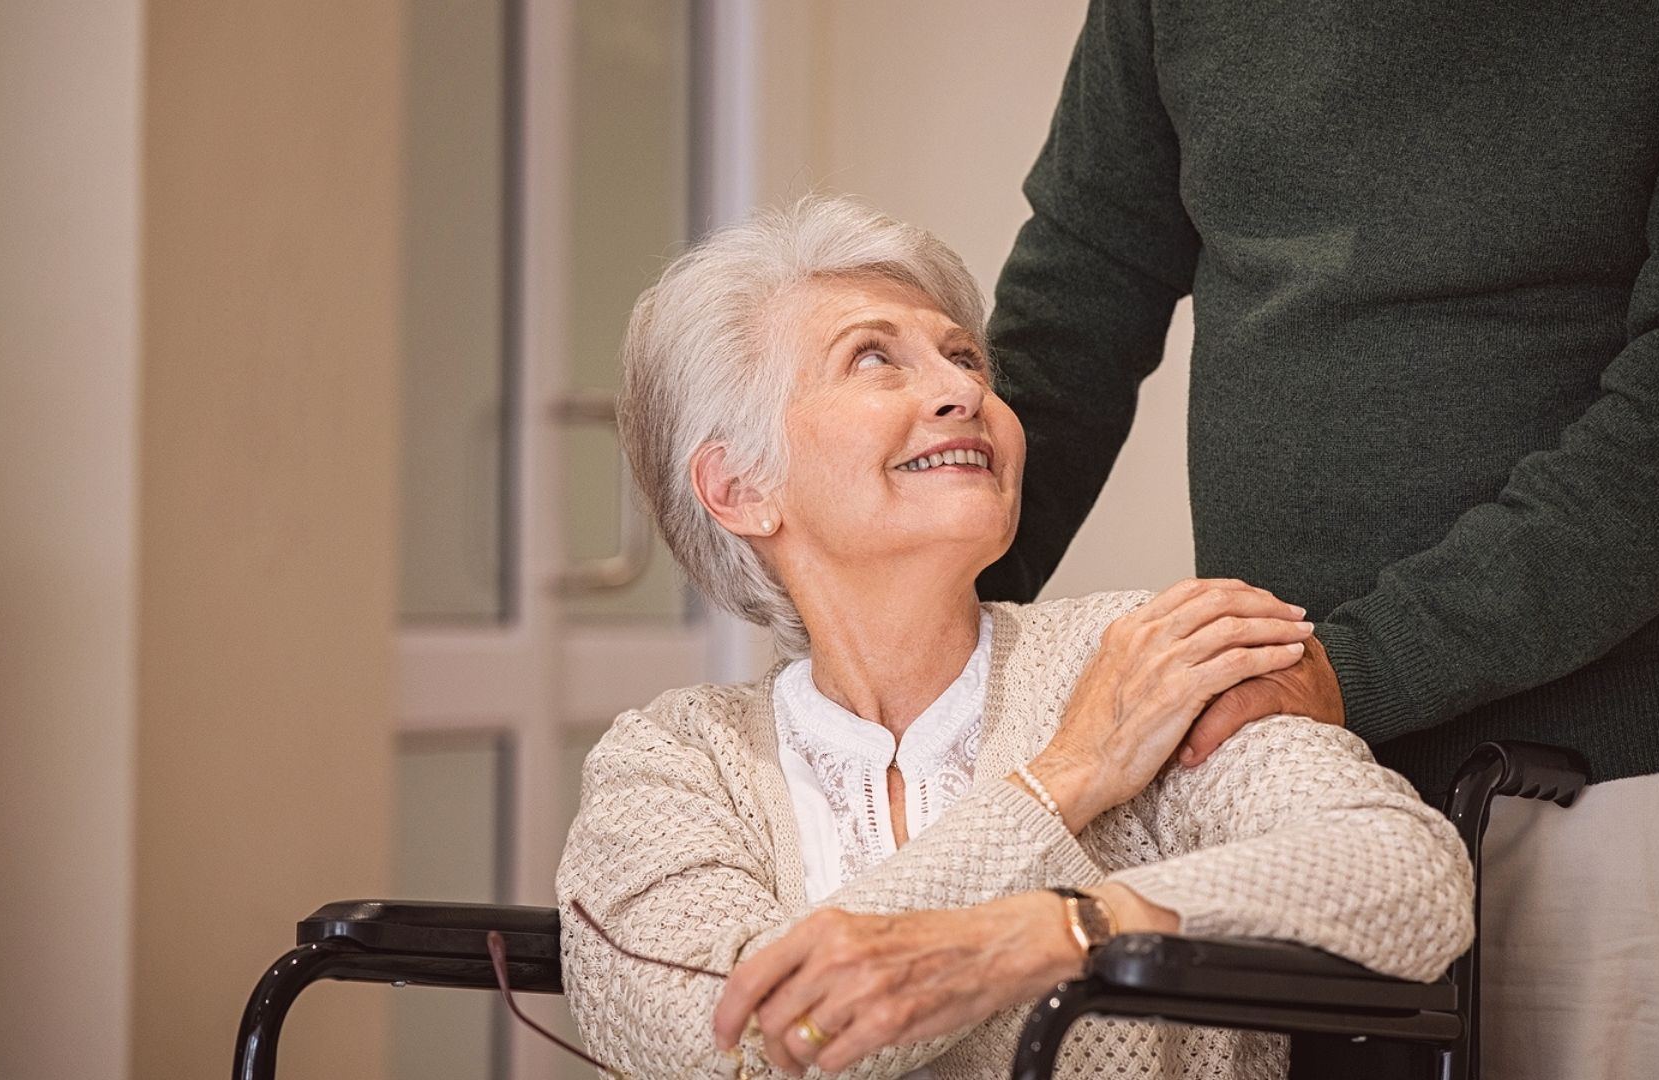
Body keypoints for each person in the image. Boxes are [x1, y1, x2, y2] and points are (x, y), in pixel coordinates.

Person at [974, 1, 1659, 1076]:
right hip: (1291, 769)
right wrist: (928, 627)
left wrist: (1349, 669)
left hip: (1619, 773)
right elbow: (1078, 300)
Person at [556, 197, 1472, 1079]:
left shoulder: (1135, 658)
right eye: (875, 360)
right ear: (741, 486)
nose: (963, 390)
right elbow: (726, 1050)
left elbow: (1412, 878)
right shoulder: (674, 760)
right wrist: (1063, 781)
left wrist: (1063, 930)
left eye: (967, 359)